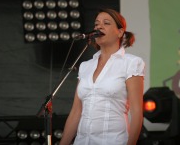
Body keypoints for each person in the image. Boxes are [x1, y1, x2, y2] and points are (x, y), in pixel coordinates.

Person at [60, 8, 145, 145]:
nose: (99, 26)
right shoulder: (85, 66)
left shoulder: (131, 63)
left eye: (106, 23)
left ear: (120, 32)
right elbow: (76, 112)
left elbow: (136, 113)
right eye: (96, 24)